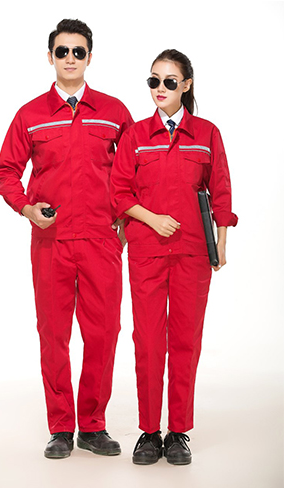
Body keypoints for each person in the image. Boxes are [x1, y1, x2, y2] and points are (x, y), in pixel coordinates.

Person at [0, 19, 134, 459]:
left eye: (78, 51)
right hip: (50, 241)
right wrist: (26, 208)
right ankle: (60, 427)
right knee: (54, 335)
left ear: (90, 57)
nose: (70, 58)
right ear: (50, 57)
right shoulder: (30, 115)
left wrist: (126, 221)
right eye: (62, 51)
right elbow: (5, 170)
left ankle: (92, 425)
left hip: (101, 240)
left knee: (103, 333)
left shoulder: (113, 111)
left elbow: (135, 170)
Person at [110, 49, 238, 465]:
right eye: (153, 80)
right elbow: (119, 193)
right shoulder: (135, 136)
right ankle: (149, 431)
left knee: (185, 341)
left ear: (186, 85)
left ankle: (178, 431)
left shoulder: (206, 133)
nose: (160, 88)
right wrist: (153, 219)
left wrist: (220, 242)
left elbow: (221, 190)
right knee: (148, 341)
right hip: (147, 252)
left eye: (169, 81)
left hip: (193, 254)